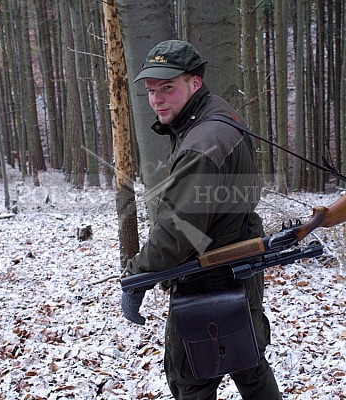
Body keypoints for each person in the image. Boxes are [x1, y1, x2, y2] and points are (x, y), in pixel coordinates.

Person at [121, 40, 282, 400]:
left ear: (194, 83)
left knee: (192, 380)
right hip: (237, 269)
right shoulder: (218, 114)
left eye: (167, 88)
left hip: (209, 281)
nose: (157, 100)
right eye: (150, 91)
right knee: (249, 362)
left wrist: (136, 277)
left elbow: (175, 235)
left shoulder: (202, 144)